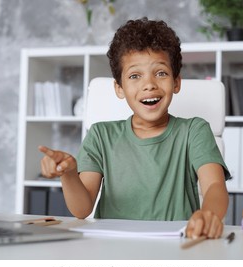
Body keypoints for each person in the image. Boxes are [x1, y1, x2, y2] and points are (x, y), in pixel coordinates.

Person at [39, 18, 230, 239]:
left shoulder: (194, 131)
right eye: (134, 76)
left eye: (161, 73)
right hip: (113, 248)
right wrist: (69, 174)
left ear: (176, 82)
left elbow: (215, 186)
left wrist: (208, 214)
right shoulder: (101, 136)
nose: (149, 84)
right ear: (119, 88)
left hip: (175, 247)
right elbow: (82, 209)